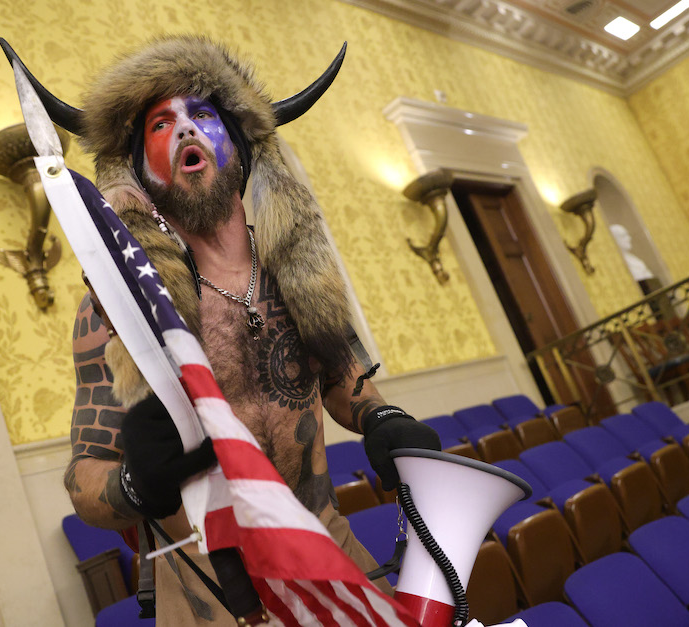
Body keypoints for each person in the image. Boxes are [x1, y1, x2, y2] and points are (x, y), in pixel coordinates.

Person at [42, 36, 441, 625]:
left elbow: (349, 384)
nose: (184, 131)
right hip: (213, 595)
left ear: (243, 147)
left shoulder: (297, 274)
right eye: (160, 123)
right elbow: (83, 481)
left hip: (331, 556)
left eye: (201, 114)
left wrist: (383, 420)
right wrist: (135, 482)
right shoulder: (116, 309)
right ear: (138, 168)